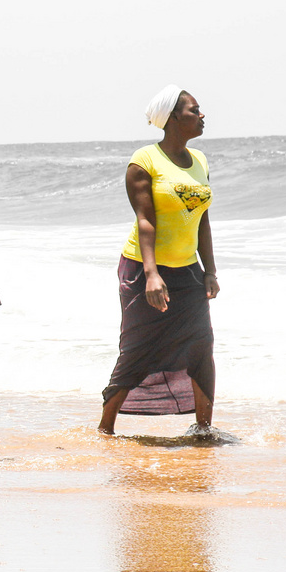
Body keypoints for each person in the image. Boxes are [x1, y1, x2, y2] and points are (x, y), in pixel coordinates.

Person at [98, 85, 220, 436]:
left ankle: (203, 429)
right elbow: (146, 221)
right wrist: (151, 274)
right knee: (138, 346)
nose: (201, 116)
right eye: (194, 110)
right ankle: (105, 429)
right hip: (142, 268)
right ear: (172, 119)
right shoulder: (144, 161)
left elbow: (203, 219)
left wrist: (209, 270)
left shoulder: (200, 161)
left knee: (201, 344)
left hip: (187, 270)